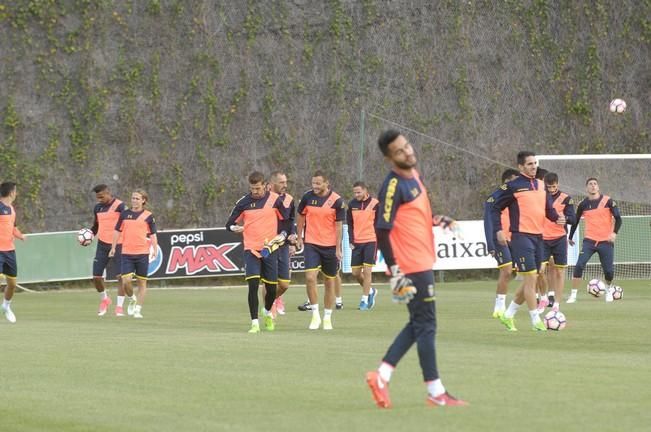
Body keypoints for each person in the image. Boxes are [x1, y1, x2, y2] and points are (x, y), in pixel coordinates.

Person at [365, 130, 467, 409]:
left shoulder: (415, 176)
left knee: (418, 323)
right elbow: (382, 230)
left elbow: (411, 216)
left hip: (421, 261)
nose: (407, 152)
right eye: (399, 151)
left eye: (407, 146)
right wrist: (395, 270)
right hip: (411, 266)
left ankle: (382, 375)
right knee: (426, 325)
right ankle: (436, 392)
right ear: (389, 158)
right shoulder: (392, 185)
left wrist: (436, 219)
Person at [490, 151, 564, 332]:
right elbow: (493, 207)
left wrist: (557, 218)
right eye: (529, 164)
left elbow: (547, 209)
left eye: (535, 163)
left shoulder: (540, 185)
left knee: (535, 277)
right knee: (531, 278)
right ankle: (536, 321)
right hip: (521, 237)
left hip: (539, 237)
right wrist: (498, 230)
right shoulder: (513, 186)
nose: (533, 166)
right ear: (520, 167)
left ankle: (508, 314)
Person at [226, 172, 287, 333]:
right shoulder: (243, 202)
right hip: (251, 249)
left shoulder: (275, 200)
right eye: (252, 188)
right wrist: (235, 228)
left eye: (258, 188)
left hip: (270, 249)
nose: (255, 191)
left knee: (272, 288)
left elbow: (285, 222)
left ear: (265, 185)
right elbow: (229, 224)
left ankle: (267, 312)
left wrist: (284, 235)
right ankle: (254, 323)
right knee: (253, 285)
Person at [295, 170, 345, 330]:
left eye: (318, 183)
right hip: (311, 244)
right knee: (310, 277)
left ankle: (327, 317)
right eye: (313, 183)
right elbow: (301, 215)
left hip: (330, 246)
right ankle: (315, 315)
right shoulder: (307, 197)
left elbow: (339, 227)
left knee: (329, 280)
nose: (315, 186)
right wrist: (299, 236)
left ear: (326, 183)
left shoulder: (337, 201)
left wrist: (338, 248)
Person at [567, 177, 622, 303]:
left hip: (606, 242)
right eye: (590, 184)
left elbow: (618, 218)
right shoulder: (583, 204)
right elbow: (575, 221)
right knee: (579, 265)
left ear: (598, 187)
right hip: (589, 241)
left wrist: (614, 233)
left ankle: (608, 290)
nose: (593, 186)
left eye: (595, 184)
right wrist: (570, 237)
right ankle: (573, 295)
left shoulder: (608, 201)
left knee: (608, 271)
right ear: (586, 188)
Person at [109, 189, 158, 319]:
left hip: (142, 253)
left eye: (137, 198)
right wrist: (113, 247)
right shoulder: (124, 214)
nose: (134, 200)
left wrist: (155, 248)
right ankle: (131, 298)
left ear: (143, 200)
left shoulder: (148, 216)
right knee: (126, 282)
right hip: (126, 253)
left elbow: (153, 234)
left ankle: (137, 310)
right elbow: (117, 231)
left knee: (142, 283)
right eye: (133, 198)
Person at [483, 168, 519, 318]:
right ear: (508, 181)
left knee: (524, 272)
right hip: (500, 239)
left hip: (517, 239)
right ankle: (499, 306)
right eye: (515, 181)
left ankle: (536, 300)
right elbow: (488, 221)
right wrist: (490, 243)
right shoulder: (494, 198)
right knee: (506, 270)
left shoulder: (517, 198)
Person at [538, 172, 575, 311]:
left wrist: (565, 218)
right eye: (549, 187)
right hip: (542, 239)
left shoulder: (566, 199)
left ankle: (557, 305)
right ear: (545, 186)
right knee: (539, 271)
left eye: (554, 186)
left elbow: (573, 218)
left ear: (557, 184)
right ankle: (543, 297)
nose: (552, 189)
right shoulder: (539, 197)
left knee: (560, 271)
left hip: (559, 239)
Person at [89, 184, 126, 316]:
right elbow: (95, 226)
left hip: (119, 244)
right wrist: (88, 236)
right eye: (97, 197)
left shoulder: (120, 206)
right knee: (96, 277)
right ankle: (105, 299)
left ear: (108, 192)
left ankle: (119, 306)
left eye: (101, 196)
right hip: (102, 245)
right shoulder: (97, 208)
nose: (99, 199)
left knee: (121, 277)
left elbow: (127, 224)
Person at [267, 171, 297, 316]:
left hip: (284, 244)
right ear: (272, 184)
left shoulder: (289, 199)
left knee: (284, 283)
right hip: (267, 244)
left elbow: (291, 220)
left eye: (286, 182)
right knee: (268, 280)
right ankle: (270, 309)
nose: (285, 185)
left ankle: (276, 298)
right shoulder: (264, 198)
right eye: (281, 182)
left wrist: (292, 238)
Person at [346, 181, 379, 311]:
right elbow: (349, 224)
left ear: (365, 190)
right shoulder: (352, 204)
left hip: (371, 240)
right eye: (354, 192)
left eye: (359, 192)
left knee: (367, 271)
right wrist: (351, 239)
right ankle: (370, 290)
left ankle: (364, 300)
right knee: (355, 273)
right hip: (357, 242)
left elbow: (379, 223)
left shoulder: (375, 204)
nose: (356, 194)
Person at [0, 182, 26, 323]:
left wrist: (20, 236)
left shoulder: (11, 209)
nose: (16, 193)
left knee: (12, 284)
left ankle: (6, 306)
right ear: (11, 192)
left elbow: (13, 228)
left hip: (10, 251)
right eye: (15, 191)